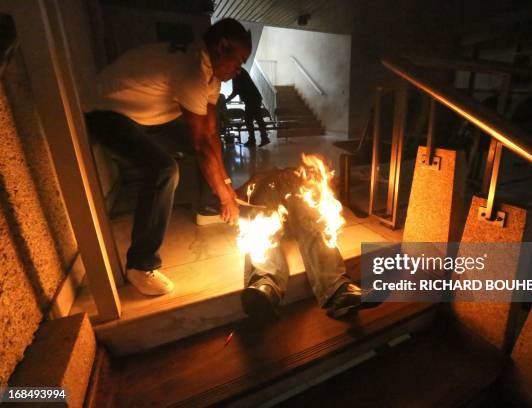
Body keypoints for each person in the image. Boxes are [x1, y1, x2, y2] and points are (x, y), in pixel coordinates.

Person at [84, 19, 250, 296]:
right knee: (164, 170)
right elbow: (200, 144)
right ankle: (140, 264)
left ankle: (211, 207)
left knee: (207, 147)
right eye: (239, 60)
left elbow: (211, 137)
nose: (239, 69)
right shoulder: (193, 70)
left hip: (140, 112)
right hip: (104, 111)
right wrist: (225, 193)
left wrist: (226, 184)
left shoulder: (211, 77)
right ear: (222, 47)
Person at [235, 167, 379, 320]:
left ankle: (337, 288)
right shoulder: (260, 183)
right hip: (267, 210)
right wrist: (255, 182)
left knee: (306, 210)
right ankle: (265, 285)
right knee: (264, 194)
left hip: (297, 211)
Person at [227, 67, 270, 147]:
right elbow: (237, 89)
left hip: (252, 99)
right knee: (255, 119)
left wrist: (226, 100)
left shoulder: (238, 72)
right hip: (253, 99)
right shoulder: (239, 71)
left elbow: (236, 90)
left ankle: (256, 139)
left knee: (250, 120)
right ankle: (261, 139)